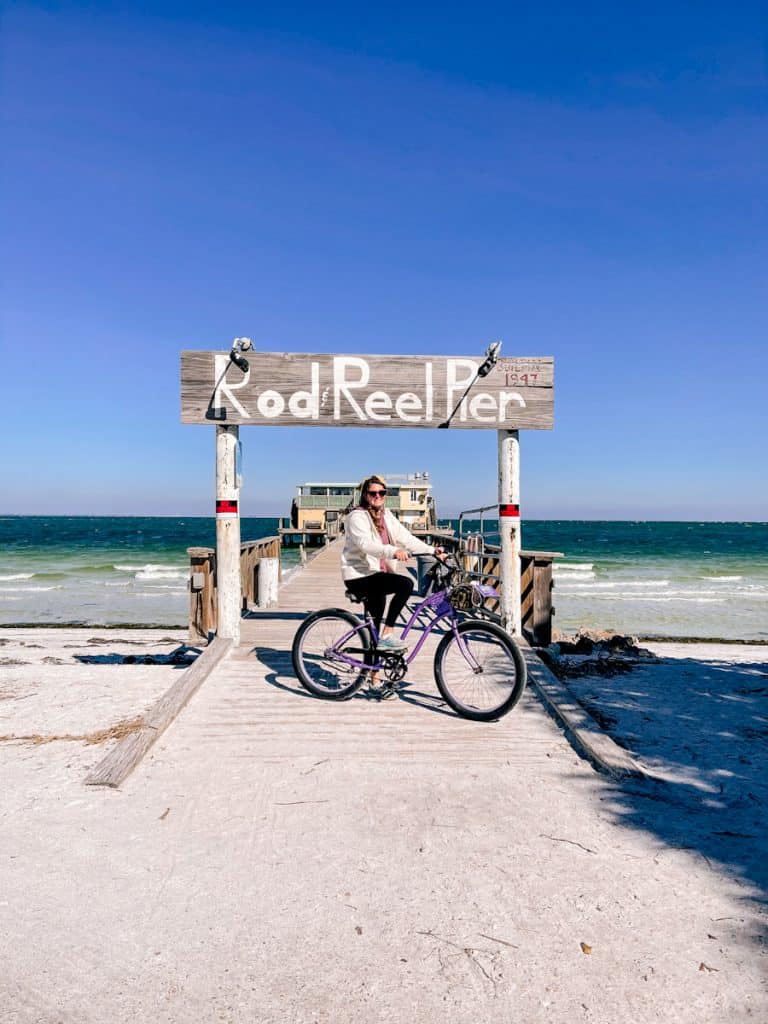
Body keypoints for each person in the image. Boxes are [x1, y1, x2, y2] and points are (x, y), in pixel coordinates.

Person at [341, 475, 444, 677]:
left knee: (373, 626)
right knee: (405, 584)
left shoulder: (386, 516)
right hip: (360, 575)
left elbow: (406, 538)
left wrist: (433, 551)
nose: (377, 496)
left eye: (381, 492)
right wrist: (393, 551)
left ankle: (373, 675)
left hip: (379, 574)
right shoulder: (356, 517)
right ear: (365, 495)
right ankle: (388, 634)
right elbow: (366, 545)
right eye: (373, 493)